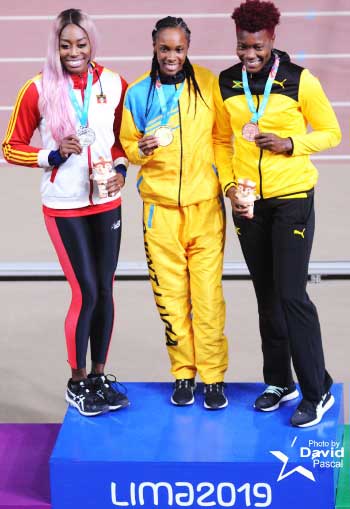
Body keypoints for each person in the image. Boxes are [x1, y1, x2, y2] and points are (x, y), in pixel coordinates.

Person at [214, 0, 341, 427]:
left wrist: (292, 144)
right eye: (243, 47)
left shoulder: (299, 81)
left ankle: (316, 389)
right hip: (249, 202)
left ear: (272, 40)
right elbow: (221, 141)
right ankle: (279, 381)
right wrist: (230, 186)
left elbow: (330, 132)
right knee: (266, 298)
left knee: (291, 296)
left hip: (291, 199)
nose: (249, 55)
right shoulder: (227, 83)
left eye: (258, 47)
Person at [2, 8, 130, 417]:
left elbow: (121, 141)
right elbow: (10, 146)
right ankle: (76, 382)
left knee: (107, 290)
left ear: (92, 43)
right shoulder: (38, 88)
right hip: (65, 206)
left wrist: (122, 171)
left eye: (81, 43)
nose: (74, 52)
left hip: (106, 200)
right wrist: (51, 155)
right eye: (65, 45)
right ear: (55, 47)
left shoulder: (112, 83)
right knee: (87, 292)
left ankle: (98, 376)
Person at [120, 16, 228, 409]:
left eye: (178, 49)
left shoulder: (208, 84)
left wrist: (223, 182)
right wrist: (138, 150)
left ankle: (213, 377)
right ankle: (184, 374)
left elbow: (221, 137)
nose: (171, 56)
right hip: (159, 212)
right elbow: (127, 145)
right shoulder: (137, 93)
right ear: (153, 45)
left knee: (207, 298)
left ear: (188, 48)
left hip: (204, 209)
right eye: (165, 48)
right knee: (170, 299)